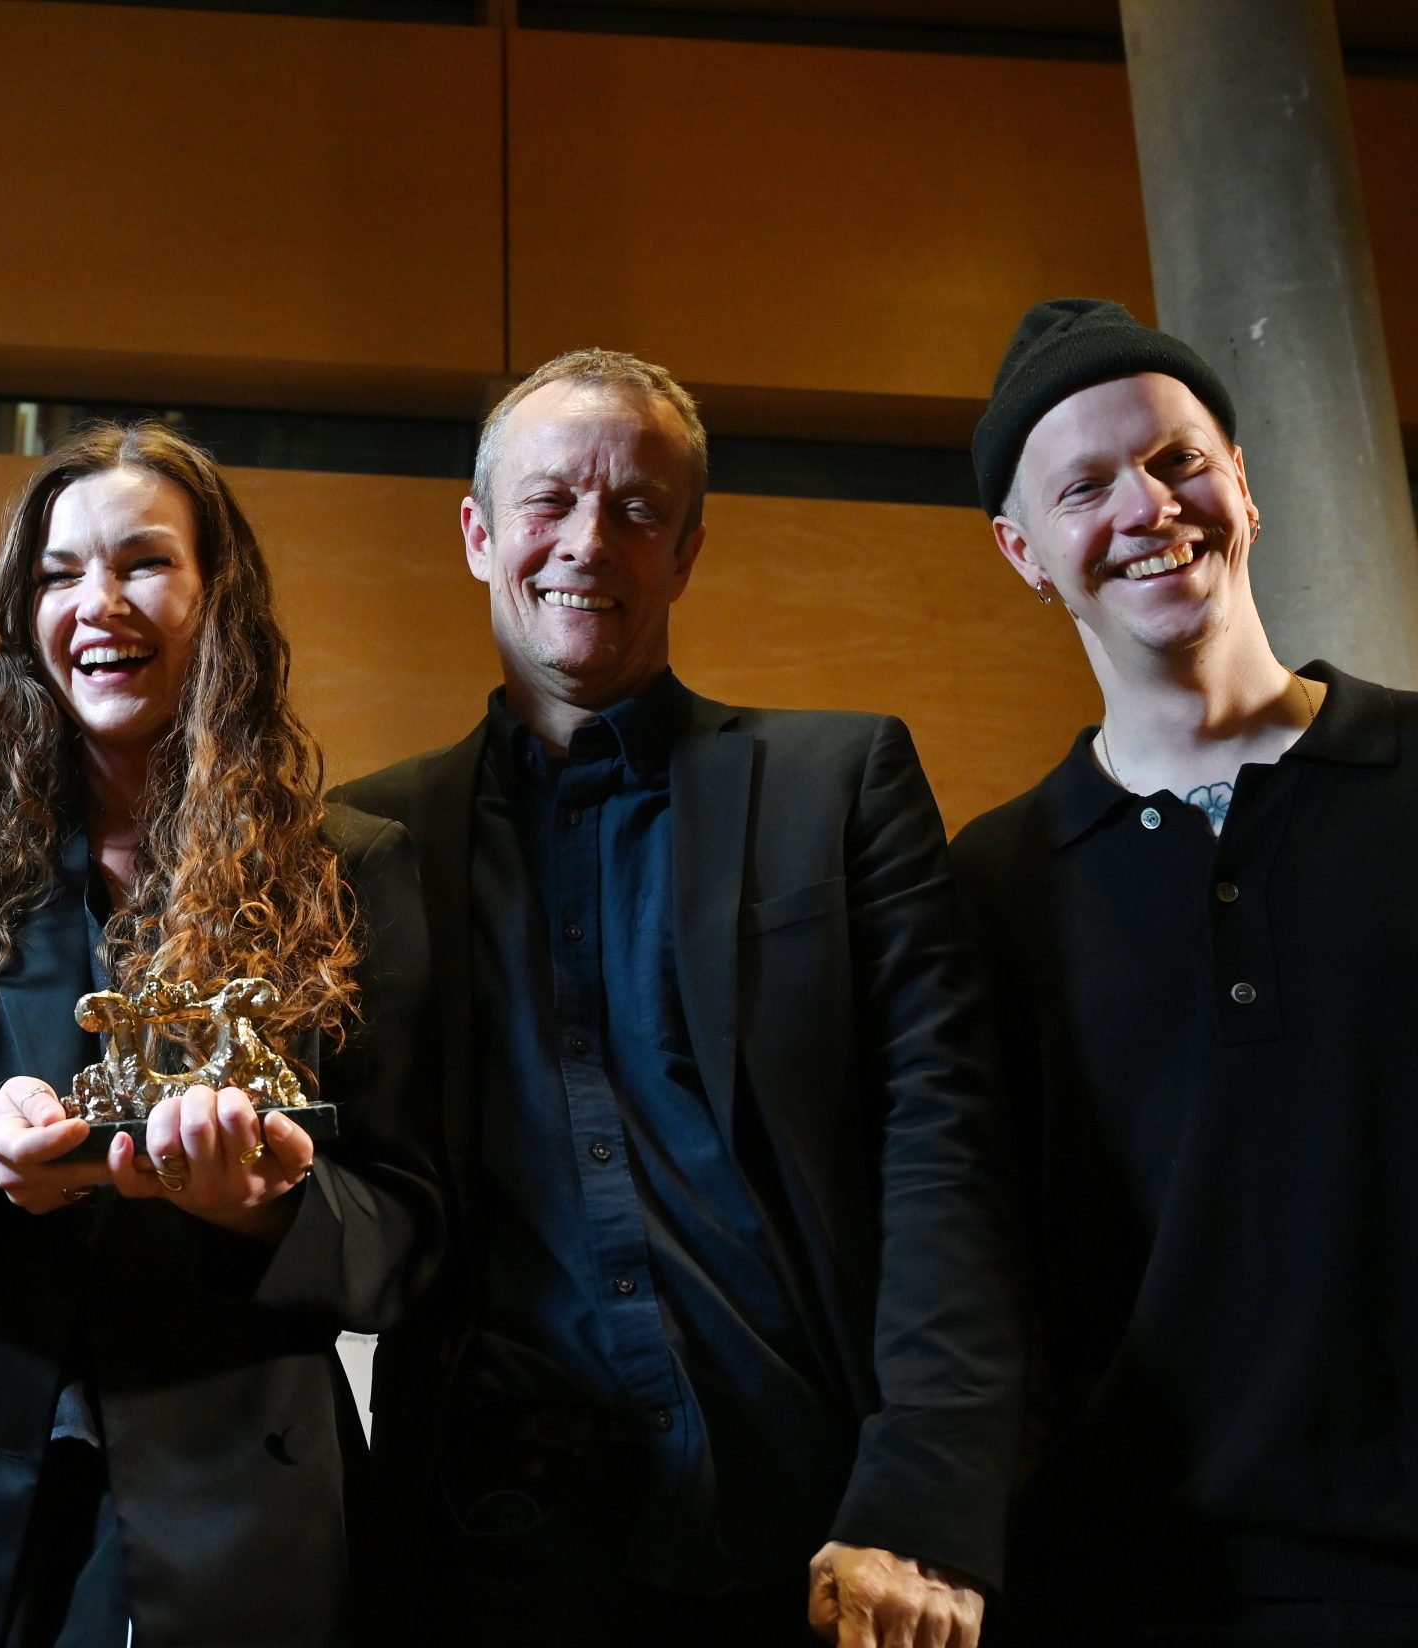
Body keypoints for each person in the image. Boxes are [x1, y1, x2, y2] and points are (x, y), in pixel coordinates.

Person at [339, 349, 1020, 1648]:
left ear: (688, 550)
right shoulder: (360, 837)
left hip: (831, 1546)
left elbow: (944, 1155)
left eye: (637, 508)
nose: (588, 541)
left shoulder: (843, 784)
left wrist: (922, 1497)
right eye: (549, 502)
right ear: (480, 535)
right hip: (496, 1560)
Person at [0, 422, 439, 1648]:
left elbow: (410, 1228)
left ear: (220, 601)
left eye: (143, 563)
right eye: (59, 574)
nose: (97, 603)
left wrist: (266, 1205)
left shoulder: (349, 872)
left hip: (223, 1488)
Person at [952, 298, 1418, 1645]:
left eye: (1175, 459)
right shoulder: (990, 887)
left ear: (1245, 490)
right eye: (1085, 486)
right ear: (1024, 553)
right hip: (1128, 1588)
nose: (1147, 507)